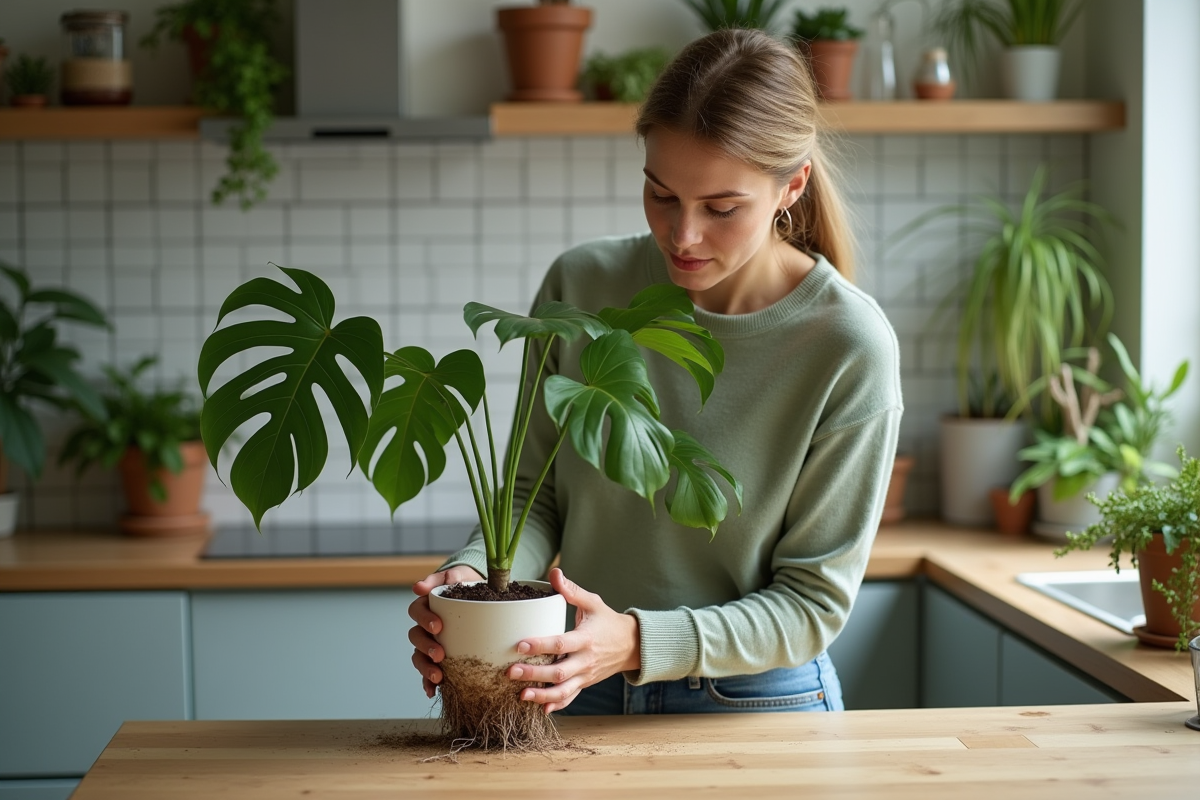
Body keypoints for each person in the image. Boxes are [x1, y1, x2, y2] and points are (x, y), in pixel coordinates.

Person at [407, 28, 902, 716]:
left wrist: (637, 641)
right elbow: (535, 493)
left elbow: (811, 605)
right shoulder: (581, 284)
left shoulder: (848, 345)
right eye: (660, 194)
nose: (683, 235)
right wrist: (473, 585)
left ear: (793, 185)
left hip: (753, 700)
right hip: (562, 680)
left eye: (722, 209)